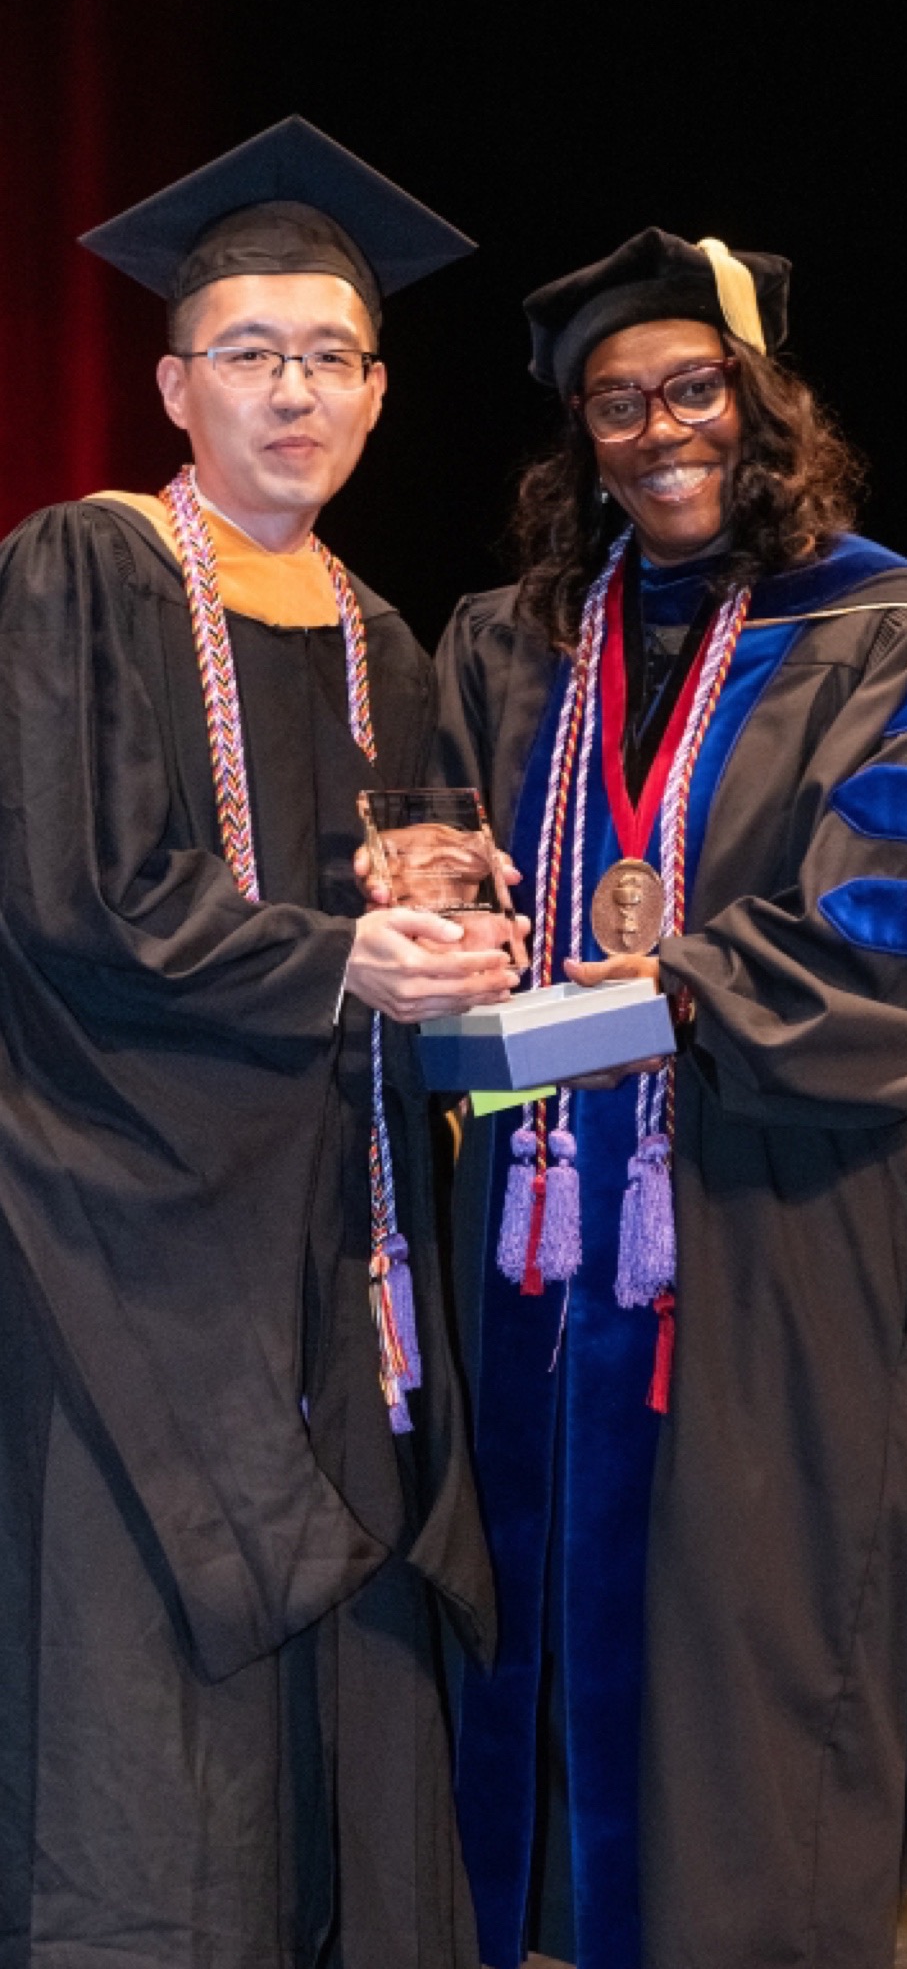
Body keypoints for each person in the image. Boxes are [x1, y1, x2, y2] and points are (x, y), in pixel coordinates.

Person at [431, 228, 907, 1969]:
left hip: (784, 1229)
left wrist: (678, 984)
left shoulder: (893, 629)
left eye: (693, 386)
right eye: (616, 402)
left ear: (763, 405)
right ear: (578, 437)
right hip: (537, 1244)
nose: (658, 428)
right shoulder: (507, 641)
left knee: (753, 1645)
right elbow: (438, 868)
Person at [0, 117, 505, 1967]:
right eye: (249, 353)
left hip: (337, 1230)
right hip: (131, 1229)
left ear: (376, 392)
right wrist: (343, 963)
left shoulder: (390, 635)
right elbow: (78, 895)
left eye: (328, 358)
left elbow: (378, 892)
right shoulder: (87, 571)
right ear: (174, 381)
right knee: (143, 1710)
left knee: (354, 1715)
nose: (291, 391)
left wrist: (453, 951)